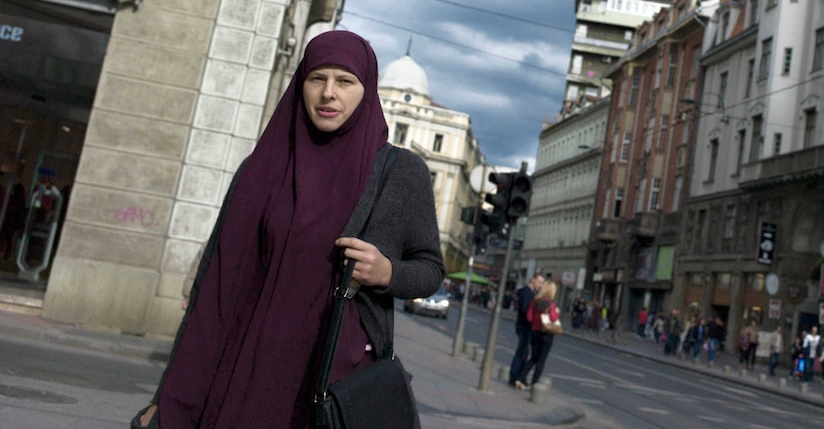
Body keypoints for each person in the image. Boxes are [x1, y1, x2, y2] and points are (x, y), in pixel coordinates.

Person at [131, 30, 446, 429]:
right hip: (239, 371)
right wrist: (167, 398)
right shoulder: (261, 168)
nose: (329, 93)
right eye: (317, 78)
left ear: (366, 92)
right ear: (301, 85)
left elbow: (430, 270)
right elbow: (212, 292)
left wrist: (387, 273)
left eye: (345, 81)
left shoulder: (399, 173)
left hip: (328, 383)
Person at [515, 281, 560, 390]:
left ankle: (520, 379)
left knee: (533, 358)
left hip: (534, 333)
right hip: (546, 334)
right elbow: (553, 319)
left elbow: (529, 317)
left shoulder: (535, 302)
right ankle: (534, 384)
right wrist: (556, 312)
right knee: (541, 360)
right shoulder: (551, 304)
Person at [509, 272, 545, 387]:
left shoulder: (527, 292)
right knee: (522, 352)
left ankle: (516, 376)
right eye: (539, 282)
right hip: (525, 326)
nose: (540, 285)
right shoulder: (527, 293)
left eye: (542, 283)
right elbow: (525, 310)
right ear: (533, 280)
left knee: (524, 353)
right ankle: (514, 376)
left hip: (523, 325)